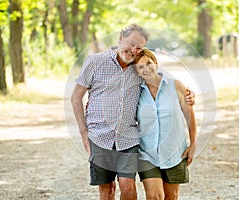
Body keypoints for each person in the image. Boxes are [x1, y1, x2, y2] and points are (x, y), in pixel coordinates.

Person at [71, 24, 195, 200]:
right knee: (107, 190)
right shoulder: (94, 62)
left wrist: (187, 93)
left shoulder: (137, 67)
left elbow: (158, 79)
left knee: (128, 187)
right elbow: (76, 97)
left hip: (127, 137)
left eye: (139, 47)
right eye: (131, 43)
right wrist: (84, 134)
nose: (133, 50)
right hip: (99, 136)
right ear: (121, 37)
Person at [134, 48, 197, 200]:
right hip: (147, 153)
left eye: (148, 63)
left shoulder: (175, 86)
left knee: (172, 196)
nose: (146, 69)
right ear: (137, 72)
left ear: (156, 63)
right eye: (140, 67)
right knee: (155, 196)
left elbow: (189, 115)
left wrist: (193, 143)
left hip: (174, 152)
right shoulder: (136, 92)